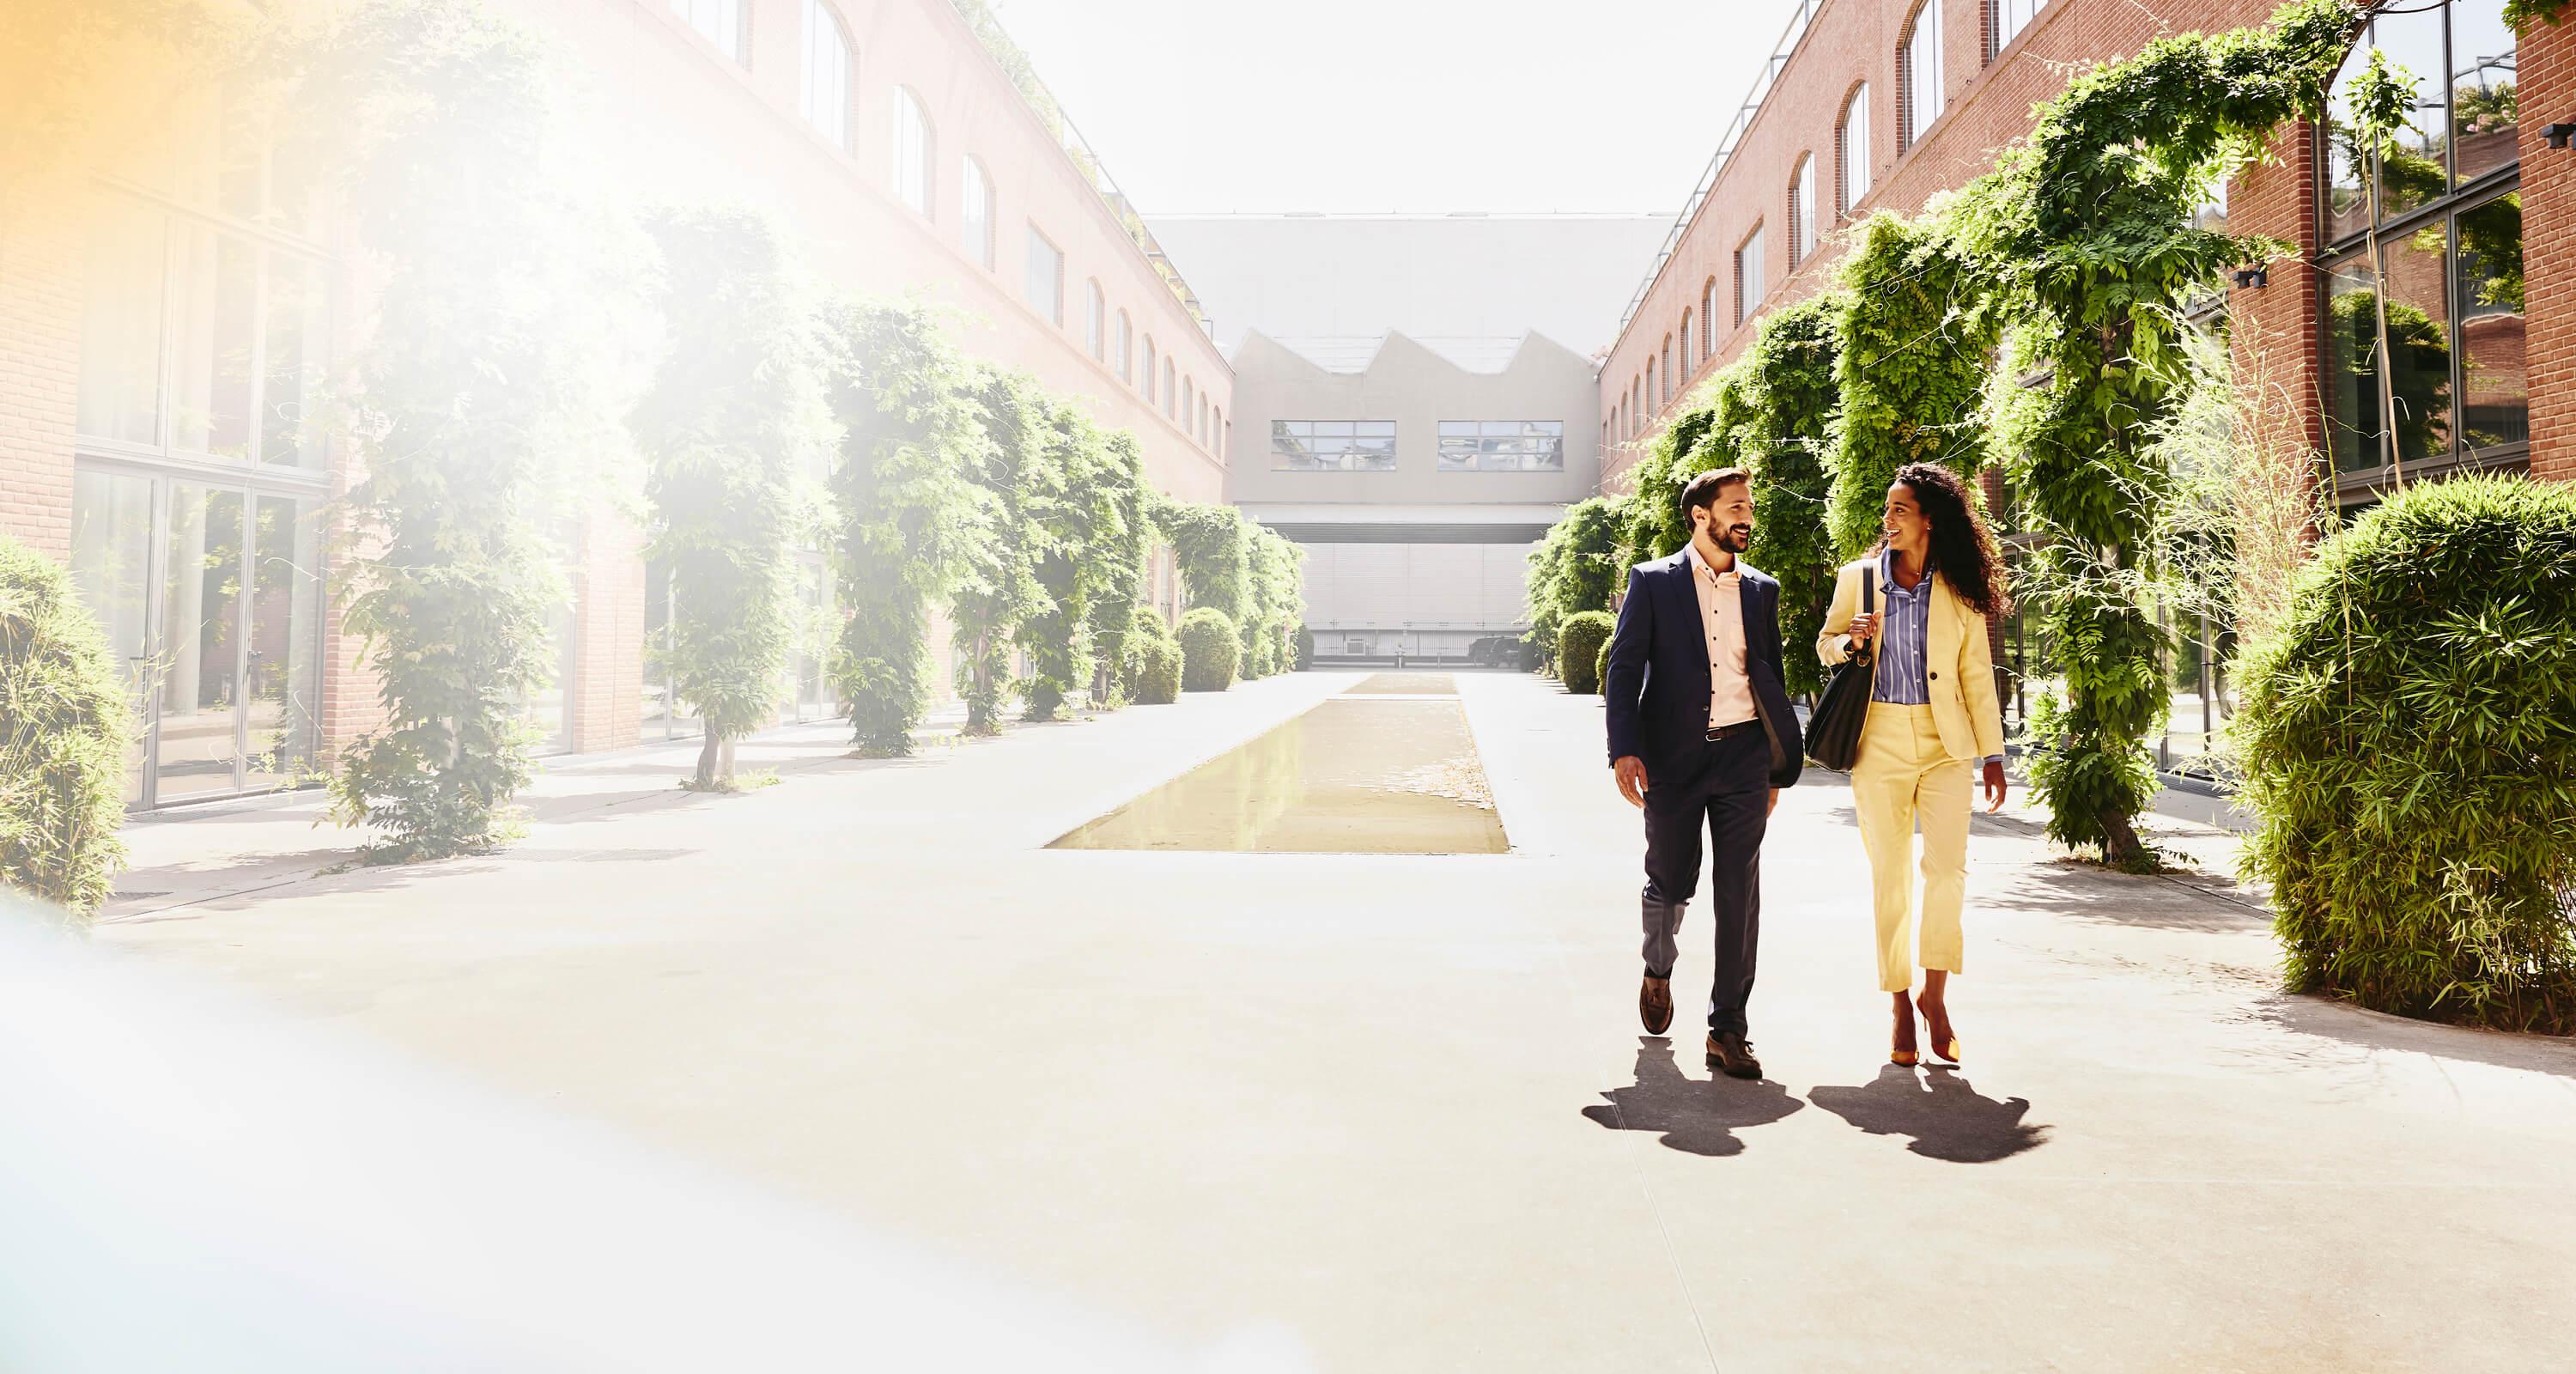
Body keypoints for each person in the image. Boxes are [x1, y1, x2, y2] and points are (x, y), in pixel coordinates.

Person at [1602, 468, 1805, 1079]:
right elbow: (1624, 666)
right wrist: (1624, 748)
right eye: (1736, 507)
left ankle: (1728, 1030)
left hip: (1744, 758)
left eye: (1750, 507)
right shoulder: (1653, 581)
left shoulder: (1760, 589)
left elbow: (1768, 675)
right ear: (1700, 515)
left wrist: (1773, 764)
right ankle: (1658, 968)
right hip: (1674, 757)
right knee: (1669, 878)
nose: (1747, 517)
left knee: (1741, 893)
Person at [1815, 462, 2011, 1067]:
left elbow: (1976, 675)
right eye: (1887, 509)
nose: (1889, 518)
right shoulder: (1860, 579)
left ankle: (1935, 993)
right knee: (1891, 875)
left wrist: (1993, 754)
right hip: (1879, 742)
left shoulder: (1957, 586)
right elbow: (1825, 647)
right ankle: (1899, 1001)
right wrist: (1850, 638)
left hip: (1946, 743)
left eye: (1901, 509)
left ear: (1930, 518)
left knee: (1947, 872)